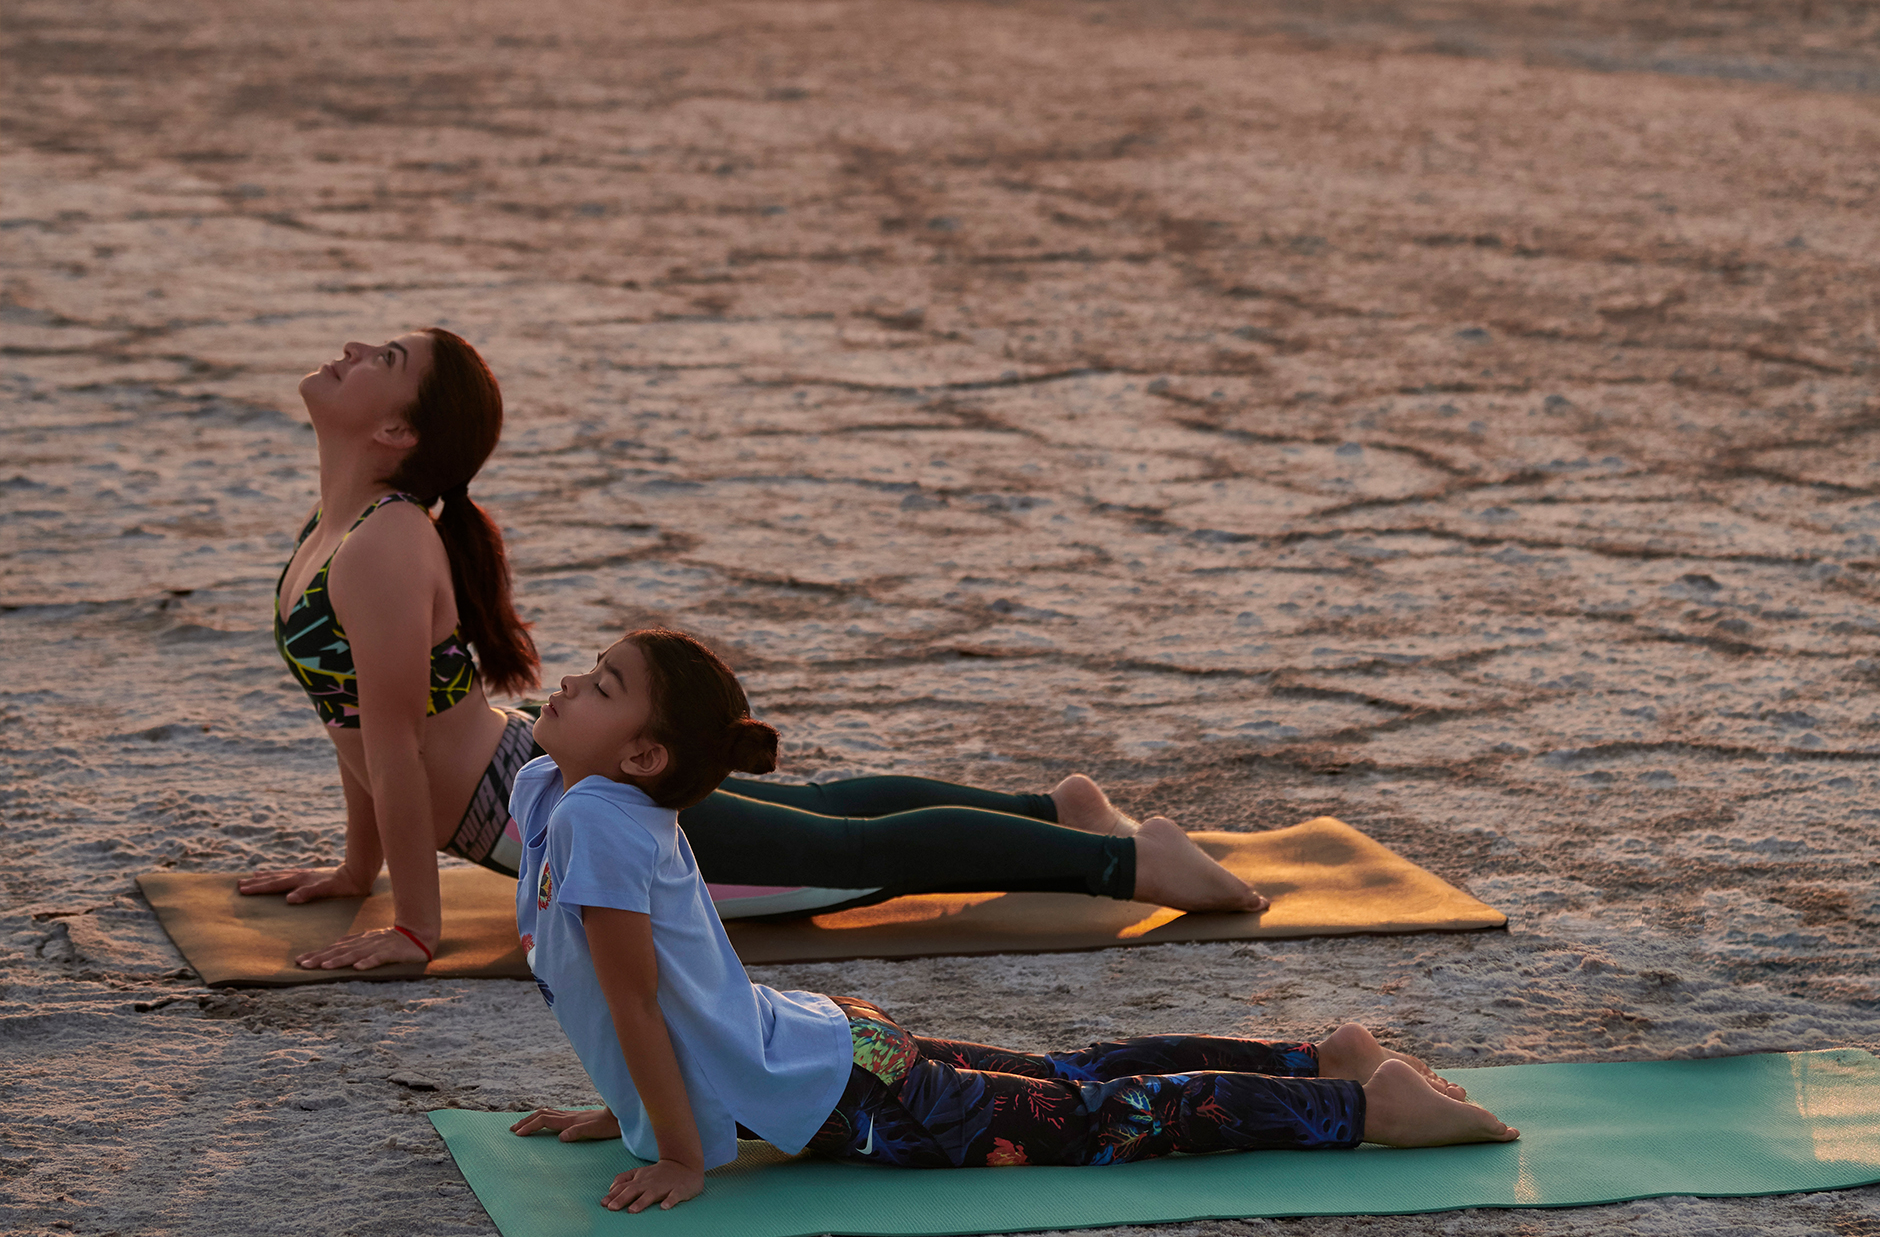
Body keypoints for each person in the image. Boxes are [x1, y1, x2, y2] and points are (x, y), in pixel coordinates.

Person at [241, 332, 1263, 971]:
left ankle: (1125, 860)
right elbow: (369, 735)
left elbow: (390, 747)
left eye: (383, 358)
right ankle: (1058, 812)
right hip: (532, 775)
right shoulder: (345, 529)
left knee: (844, 861)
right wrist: (353, 869)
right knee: (815, 811)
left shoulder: (379, 542)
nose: (351, 348)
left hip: (546, 807)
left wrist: (412, 927)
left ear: (397, 430)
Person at [507, 628, 1518, 1215]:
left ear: (642, 757)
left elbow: (636, 997)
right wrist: (635, 1115)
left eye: (602, 685)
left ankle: (1363, 1107)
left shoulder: (595, 815)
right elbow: (643, 995)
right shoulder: (560, 786)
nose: (568, 684)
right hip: (821, 1044)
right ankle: (1319, 1057)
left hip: (842, 1091)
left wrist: (678, 1154)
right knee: (1066, 1076)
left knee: (1093, 1120)